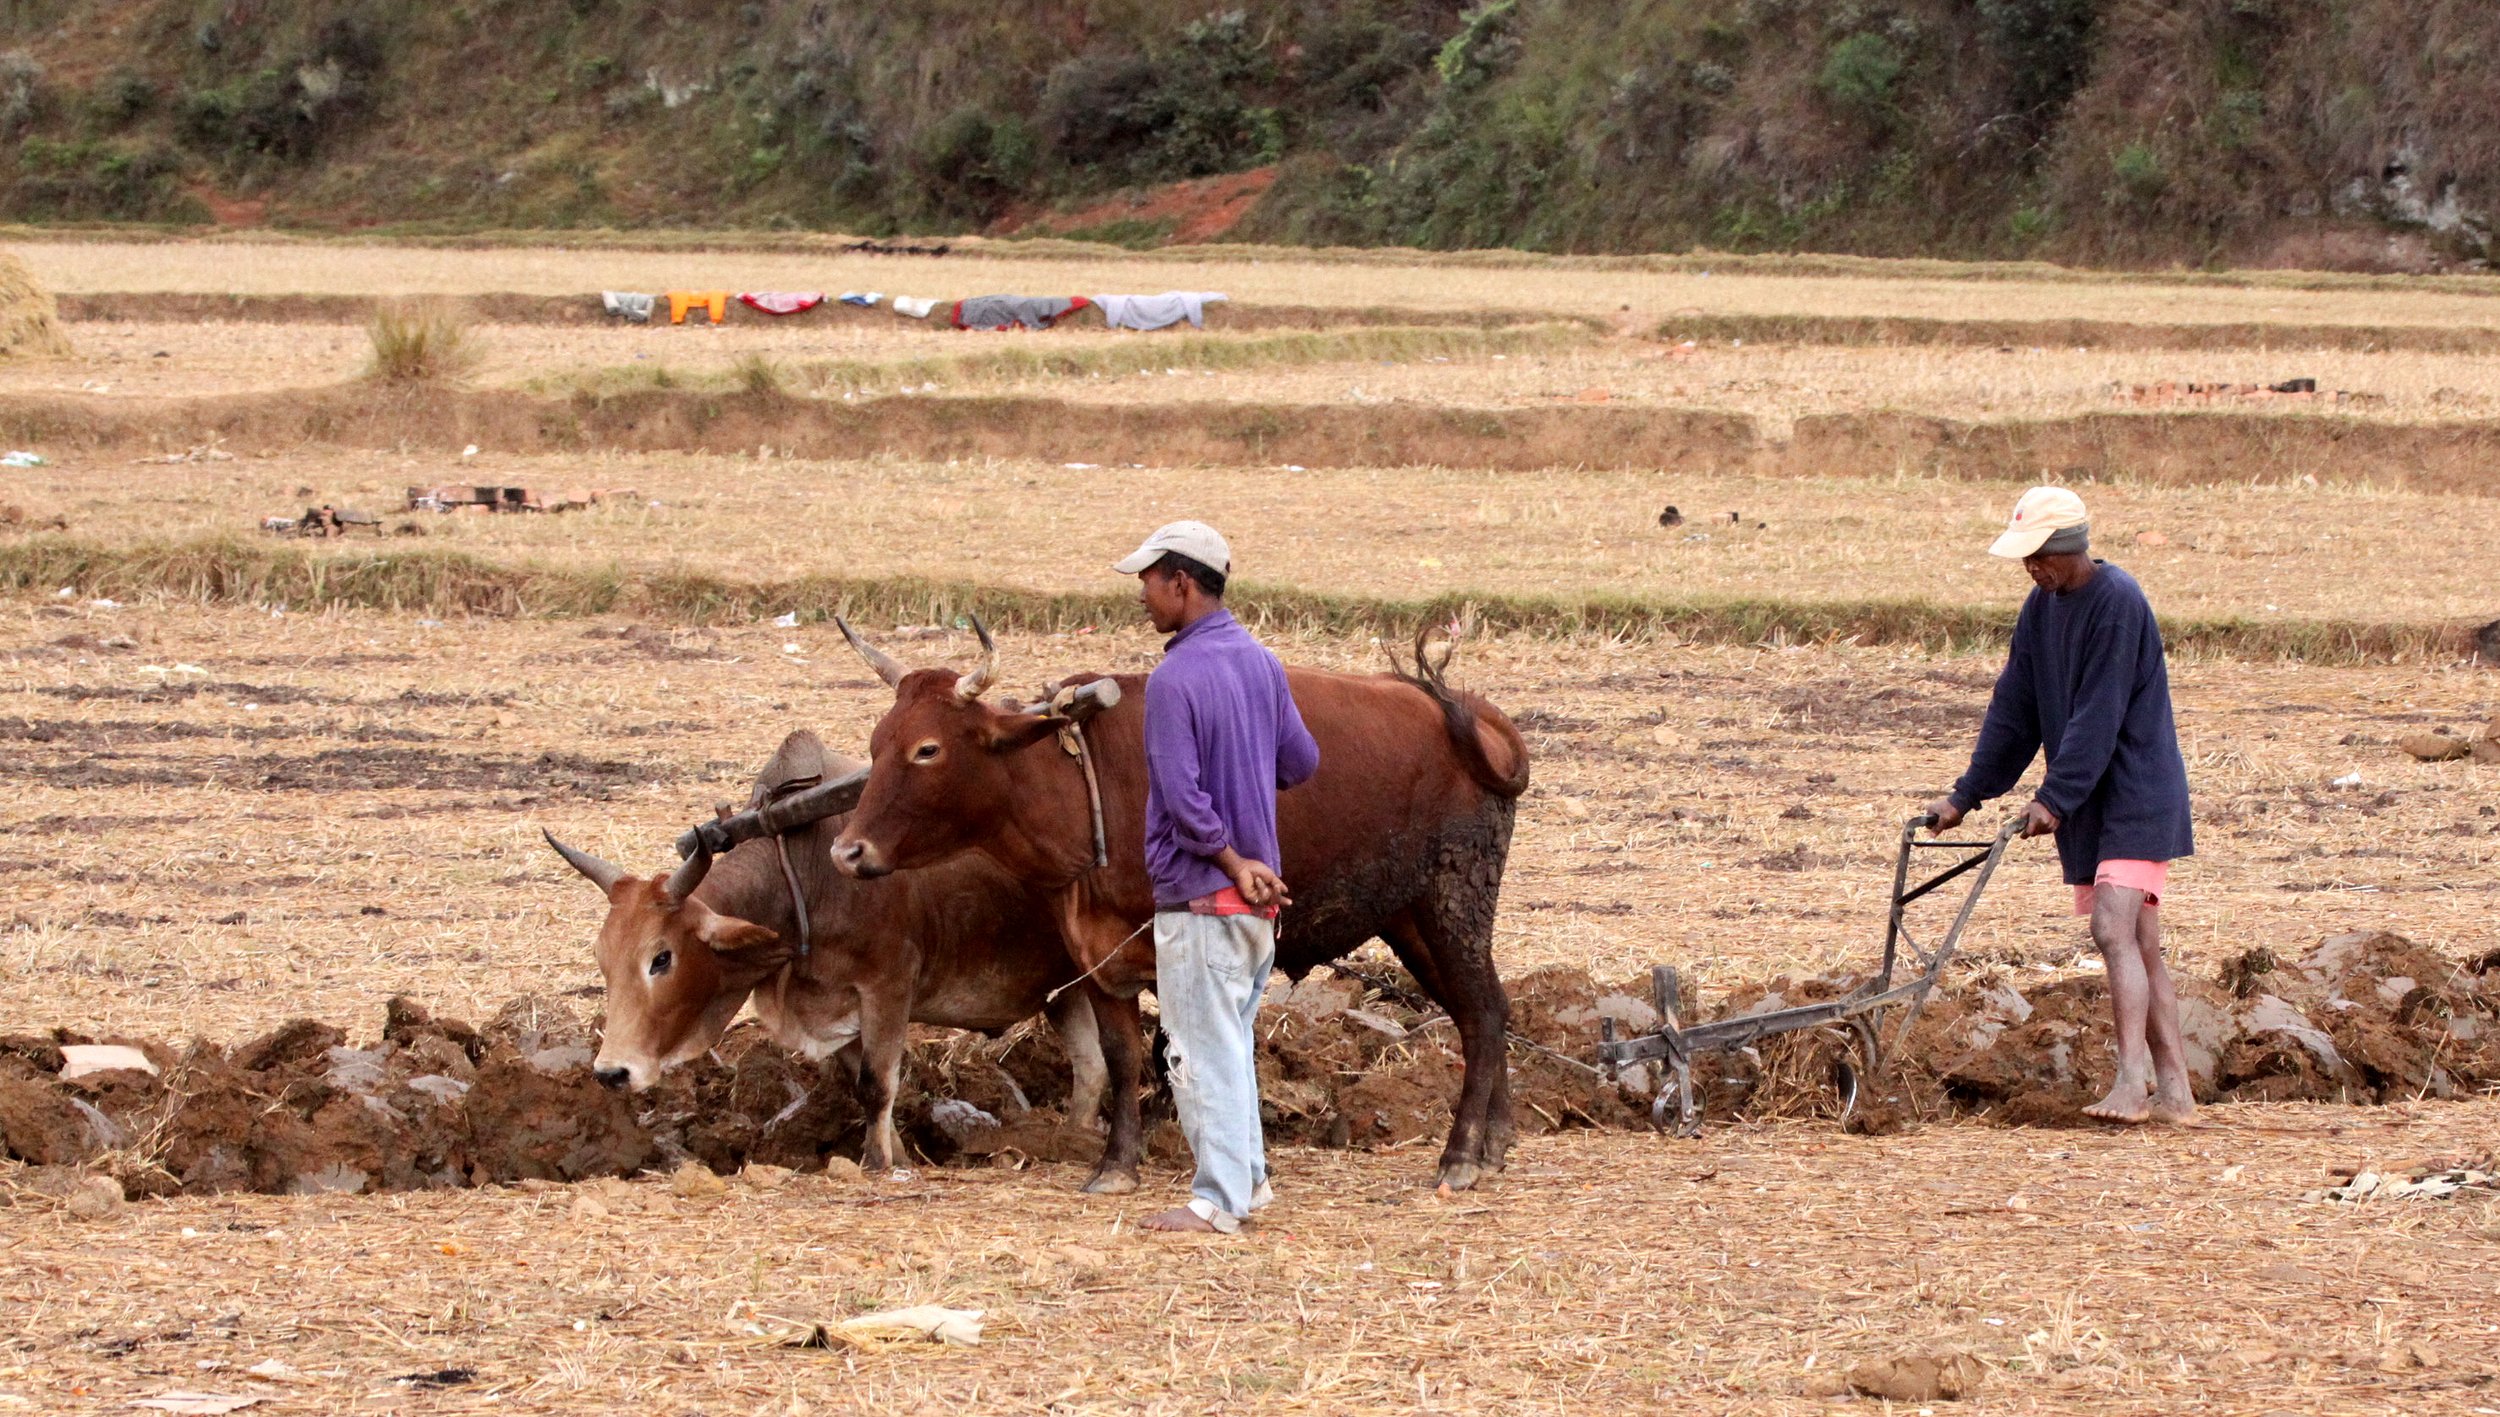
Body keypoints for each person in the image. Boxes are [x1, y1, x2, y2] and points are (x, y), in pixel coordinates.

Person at [1924, 487, 2198, 1125]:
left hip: (2135, 790)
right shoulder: (2040, 609)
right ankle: (2177, 1092)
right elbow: (2014, 708)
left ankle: (2133, 1083)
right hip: (2092, 798)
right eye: (2025, 558)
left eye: (2038, 556)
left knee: (2112, 929)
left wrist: (2054, 797)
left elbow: (2099, 713)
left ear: (2068, 548)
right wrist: (1966, 795)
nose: (2031, 568)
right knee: (2141, 942)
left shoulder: (2118, 603)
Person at [1112, 520, 1321, 1232]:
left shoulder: (1172, 680)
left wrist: (1229, 855)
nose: (1141, 594)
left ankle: (1218, 1200)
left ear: (1181, 582)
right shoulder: (1260, 663)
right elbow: (1301, 763)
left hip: (1204, 895)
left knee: (1199, 1050)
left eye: (1148, 580)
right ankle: (1249, 1180)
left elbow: (1180, 795)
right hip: (1256, 908)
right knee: (1230, 1044)